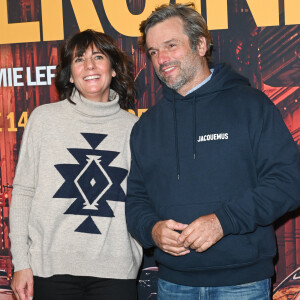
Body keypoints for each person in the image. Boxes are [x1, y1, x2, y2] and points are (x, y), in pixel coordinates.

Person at [125, 3, 300, 300]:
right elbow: (136, 201)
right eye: (153, 52)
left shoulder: (250, 106)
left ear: (201, 44)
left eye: (171, 45)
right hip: (172, 285)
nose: (161, 59)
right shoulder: (146, 126)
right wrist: (152, 230)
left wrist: (223, 221)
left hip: (243, 284)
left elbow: (289, 181)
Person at [9, 29, 142, 300]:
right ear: (70, 74)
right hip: (50, 272)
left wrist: (133, 254)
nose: (90, 66)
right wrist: (21, 262)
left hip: (115, 272)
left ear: (113, 69)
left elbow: (143, 198)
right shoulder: (44, 120)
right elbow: (23, 193)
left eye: (98, 57)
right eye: (79, 59)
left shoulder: (136, 129)